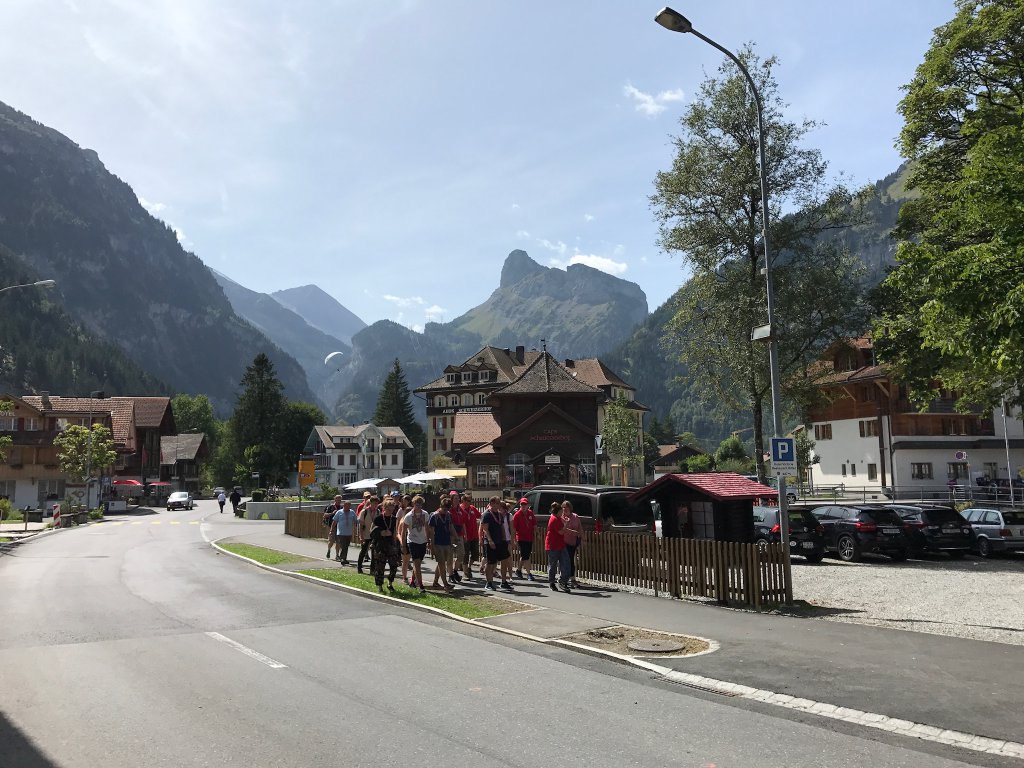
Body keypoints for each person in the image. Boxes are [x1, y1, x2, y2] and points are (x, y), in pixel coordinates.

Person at [399, 495, 429, 593]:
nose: (418, 506)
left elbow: (427, 528)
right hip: (412, 541)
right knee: (417, 564)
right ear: (413, 504)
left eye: (420, 504)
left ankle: (412, 581)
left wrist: (428, 540)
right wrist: (403, 545)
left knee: (418, 564)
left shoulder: (425, 514)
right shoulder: (408, 516)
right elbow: (403, 531)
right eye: (417, 504)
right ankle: (420, 585)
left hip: (423, 541)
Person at [370, 499, 400, 593]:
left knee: (394, 566)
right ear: (384, 508)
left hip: (390, 545)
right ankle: (380, 586)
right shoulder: (378, 518)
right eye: (389, 508)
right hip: (380, 545)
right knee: (379, 567)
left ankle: (390, 583)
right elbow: (371, 532)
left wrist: (396, 544)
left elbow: (395, 532)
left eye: (392, 508)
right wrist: (381, 532)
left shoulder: (394, 519)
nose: (391, 510)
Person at [480, 496, 510, 591]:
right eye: (497, 503)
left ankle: (504, 582)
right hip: (490, 542)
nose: (498, 505)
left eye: (499, 503)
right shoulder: (487, 514)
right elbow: (485, 529)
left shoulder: (500, 514)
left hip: (500, 541)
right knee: (491, 563)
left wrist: (505, 539)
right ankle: (489, 582)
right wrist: (490, 540)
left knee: (504, 560)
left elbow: (502, 527)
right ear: (492, 503)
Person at [428, 496, 455, 591]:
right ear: (440, 506)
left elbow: (451, 527)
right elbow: (431, 531)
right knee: (441, 564)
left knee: (442, 563)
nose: (445, 511)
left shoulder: (448, 515)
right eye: (444, 509)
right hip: (438, 543)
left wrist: (456, 538)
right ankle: (445, 584)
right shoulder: (434, 516)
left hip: (447, 542)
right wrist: (432, 544)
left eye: (447, 509)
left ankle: (435, 582)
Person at [545, 501, 571, 592]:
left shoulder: (558, 518)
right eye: (561, 511)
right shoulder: (554, 519)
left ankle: (562, 581)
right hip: (553, 545)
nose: (562, 513)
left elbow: (562, 525)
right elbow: (561, 532)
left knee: (566, 563)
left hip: (560, 544)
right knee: (553, 565)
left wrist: (565, 521)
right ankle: (552, 582)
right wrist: (566, 524)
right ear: (557, 512)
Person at [512, 497, 536, 581]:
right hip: (521, 538)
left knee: (525, 555)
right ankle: (529, 573)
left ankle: (518, 570)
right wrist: (514, 539)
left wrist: (537, 534)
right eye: (522, 504)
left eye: (525, 504)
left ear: (527, 505)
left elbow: (534, 524)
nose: (524, 506)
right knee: (526, 556)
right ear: (520, 505)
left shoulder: (530, 513)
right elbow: (514, 528)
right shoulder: (517, 515)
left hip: (529, 537)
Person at [561, 500, 583, 589]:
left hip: (573, 542)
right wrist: (573, 532)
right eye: (563, 507)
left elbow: (580, 528)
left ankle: (571, 578)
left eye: (566, 507)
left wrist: (583, 539)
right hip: (563, 542)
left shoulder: (575, 516)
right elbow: (563, 529)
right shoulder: (561, 517)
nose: (564, 509)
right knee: (566, 561)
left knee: (571, 561)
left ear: (570, 508)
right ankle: (567, 579)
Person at [459, 494, 481, 579]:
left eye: (470, 500)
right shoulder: (461, 509)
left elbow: (480, 516)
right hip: (466, 535)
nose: (470, 502)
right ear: (463, 501)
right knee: (466, 554)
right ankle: (465, 573)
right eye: (468, 500)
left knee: (475, 554)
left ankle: (468, 566)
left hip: (474, 534)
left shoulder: (472, 508)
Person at [356, 495, 379, 574]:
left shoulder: (378, 512)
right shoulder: (364, 511)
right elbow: (361, 525)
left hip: (374, 535)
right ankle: (359, 567)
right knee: (363, 551)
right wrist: (361, 536)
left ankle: (372, 569)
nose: (376, 505)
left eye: (377, 503)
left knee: (374, 553)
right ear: (371, 503)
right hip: (365, 534)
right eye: (375, 503)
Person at [448, 491, 466, 583]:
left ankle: (455, 570)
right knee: (450, 556)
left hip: (459, 535)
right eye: (455, 498)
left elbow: (463, 522)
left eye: (458, 498)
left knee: (461, 554)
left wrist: (465, 533)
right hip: (451, 535)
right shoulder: (449, 510)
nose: (457, 500)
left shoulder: (460, 510)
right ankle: (450, 575)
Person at [333, 500, 357, 564]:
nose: (348, 507)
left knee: (346, 546)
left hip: (349, 533)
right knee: (344, 546)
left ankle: (344, 558)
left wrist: (356, 528)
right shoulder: (339, 512)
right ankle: (342, 558)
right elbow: (334, 521)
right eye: (347, 506)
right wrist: (331, 530)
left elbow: (355, 520)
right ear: (344, 505)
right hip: (341, 533)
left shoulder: (352, 512)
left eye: (349, 506)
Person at [324, 495, 344, 560]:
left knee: (338, 541)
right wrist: (332, 513)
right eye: (338, 500)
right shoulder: (330, 507)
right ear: (335, 500)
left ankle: (337, 555)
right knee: (331, 541)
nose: (339, 501)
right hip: (331, 526)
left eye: (340, 500)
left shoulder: (342, 507)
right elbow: (325, 515)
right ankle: (329, 550)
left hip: (339, 527)